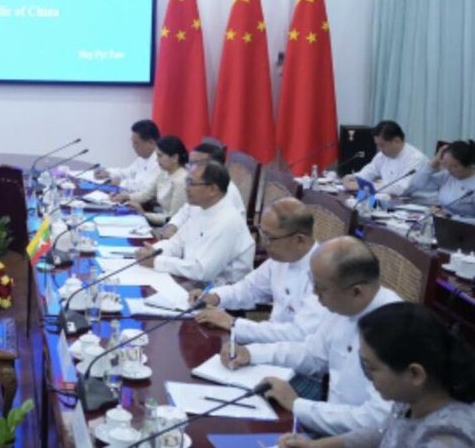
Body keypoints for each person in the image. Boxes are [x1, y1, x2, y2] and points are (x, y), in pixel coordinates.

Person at [223, 236, 400, 436]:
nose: (315, 294)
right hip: (327, 422)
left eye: (321, 289)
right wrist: (252, 353)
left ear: (356, 292)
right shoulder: (344, 305)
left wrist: (298, 405)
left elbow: (378, 421)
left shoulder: (394, 330)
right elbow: (313, 354)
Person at [279, 302, 475, 447]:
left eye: (371, 368)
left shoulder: (448, 438)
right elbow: (383, 432)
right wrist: (317, 446)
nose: (367, 377)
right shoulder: (413, 398)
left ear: (415, 374)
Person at [191, 197, 324, 343]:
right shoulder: (281, 258)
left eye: (269, 237)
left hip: (293, 350)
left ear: (299, 240)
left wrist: (234, 324)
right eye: (262, 233)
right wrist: (216, 297)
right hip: (269, 343)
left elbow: (299, 335)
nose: (264, 244)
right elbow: (250, 288)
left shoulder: (324, 274)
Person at [135, 161, 254, 285]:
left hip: (217, 291)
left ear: (212, 189)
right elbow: (177, 243)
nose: (186, 188)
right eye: (187, 182)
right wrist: (153, 251)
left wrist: (157, 261)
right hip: (191, 280)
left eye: (191, 183)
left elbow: (203, 271)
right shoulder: (200, 208)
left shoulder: (227, 221)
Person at [159, 140, 248, 238]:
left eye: (195, 164)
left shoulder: (224, 192)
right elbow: (185, 211)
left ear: (214, 166)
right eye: (190, 164)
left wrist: (177, 237)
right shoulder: (201, 185)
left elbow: (209, 234)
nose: (191, 169)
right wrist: (172, 226)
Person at [342, 121, 426, 197]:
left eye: (382, 145)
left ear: (396, 141)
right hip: (393, 202)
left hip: (418, 202)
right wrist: (352, 178)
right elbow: (368, 172)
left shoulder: (415, 159)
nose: (379, 149)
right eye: (377, 145)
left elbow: (401, 189)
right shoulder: (382, 156)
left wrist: (366, 186)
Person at [115, 135, 189, 221]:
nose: (157, 160)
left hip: (169, 226)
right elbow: (147, 194)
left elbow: (172, 218)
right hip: (159, 219)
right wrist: (126, 197)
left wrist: (144, 214)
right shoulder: (164, 172)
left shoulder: (181, 181)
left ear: (175, 158)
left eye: (160, 156)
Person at [408, 140, 475, 221]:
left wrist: (450, 218)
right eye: (446, 165)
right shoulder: (447, 175)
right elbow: (417, 183)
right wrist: (433, 163)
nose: (449, 170)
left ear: (470, 165)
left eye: (455, 166)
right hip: (442, 222)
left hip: (462, 226)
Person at [96, 119, 162, 193]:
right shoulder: (143, 158)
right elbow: (128, 173)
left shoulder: (161, 162)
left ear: (151, 143)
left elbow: (146, 187)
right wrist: (109, 173)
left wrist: (121, 183)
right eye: (132, 142)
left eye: (136, 143)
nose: (133, 146)